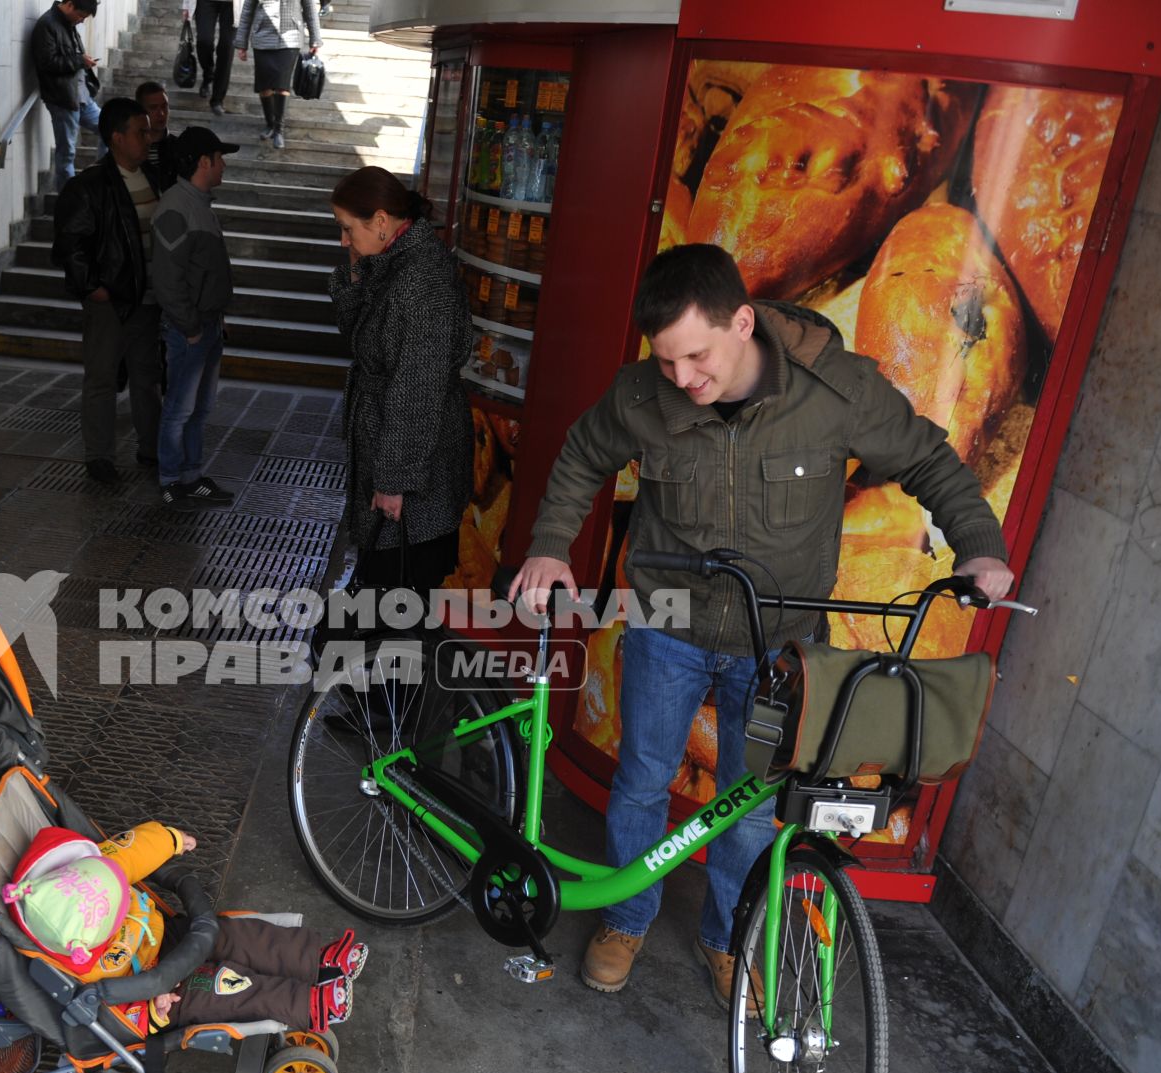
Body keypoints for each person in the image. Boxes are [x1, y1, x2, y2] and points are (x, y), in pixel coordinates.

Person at [506, 243, 1016, 1004]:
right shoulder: (645, 394)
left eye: (697, 356)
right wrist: (550, 548)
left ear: (742, 321)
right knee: (643, 780)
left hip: (780, 641)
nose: (682, 379)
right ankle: (626, 917)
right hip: (667, 619)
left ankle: (726, 938)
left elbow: (927, 460)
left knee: (751, 803)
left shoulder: (833, 390)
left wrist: (979, 546)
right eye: (668, 361)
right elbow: (583, 454)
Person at [3, 824, 366, 1032]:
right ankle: (308, 1004)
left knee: (237, 935)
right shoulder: (80, 964)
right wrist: (154, 1011)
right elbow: (101, 1005)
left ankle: (317, 961)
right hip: (155, 988)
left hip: (170, 936)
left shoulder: (87, 869)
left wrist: (170, 839)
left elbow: (132, 852)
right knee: (224, 989)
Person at [327, 165, 473, 595]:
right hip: (394, 447)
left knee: (401, 579)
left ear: (381, 221)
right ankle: (382, 657)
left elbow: (417, 386)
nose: (344, 240)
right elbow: (361, 339)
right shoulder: (392, 260)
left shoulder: (421, 279)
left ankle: (396, 660)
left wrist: (394, 480)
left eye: (348, 229)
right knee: (389, 577)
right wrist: (355, 274)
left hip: (417, 466)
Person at [53, 97, 170, 483]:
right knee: (102, 379)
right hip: (112, 302)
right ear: (117, 138)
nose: (149, 138)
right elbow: (70, 245)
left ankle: (152, 450)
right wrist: (94, 289)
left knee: (147, 378)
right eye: (141, 132)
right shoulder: (88, 186)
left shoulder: (155, 177)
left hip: (150, 300)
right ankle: (99, 456)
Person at [151, 126, 241, 511]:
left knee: (198, 409)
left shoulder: (198, 203)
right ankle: (171, 480)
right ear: (204, 162)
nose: (223, 166)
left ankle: (191, 475)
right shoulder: (176, 206)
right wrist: (188, 327)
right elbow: (168, 279)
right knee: (179, 409)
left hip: (207, 325)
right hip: (190, 329)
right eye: (219, 159)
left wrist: (213, 320)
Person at [32, 0, 103, 192]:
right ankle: (69, 202)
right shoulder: (47, 24)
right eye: (81, 16)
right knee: (67, 154)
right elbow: (48, 63)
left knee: (110, 128)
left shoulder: (68, 24)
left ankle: (100, 179)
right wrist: (80, 60)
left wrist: (83, 61)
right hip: (62, 99)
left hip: (82, 96)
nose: (81, 21)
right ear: (70, 5)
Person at [235, 0, 320, 150]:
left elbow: (310, 9)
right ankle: (269, 124)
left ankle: (279, 130)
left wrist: (315, 38)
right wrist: (241, 42)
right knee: (264, 86)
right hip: (262, 37)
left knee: (282, 84)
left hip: (290, 38)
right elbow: (247, 10)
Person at [186, 0, 236, 115]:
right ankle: (208, 74)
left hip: (232, 4)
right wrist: (186, 5)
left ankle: (217, 100)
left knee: (227, 48)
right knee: (204, 41)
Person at [134, 80, 177, 189]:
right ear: (140, 111)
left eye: (164, 106)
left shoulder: (179, 148)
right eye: (153, 108)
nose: (161, 113)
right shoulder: (128, 148)